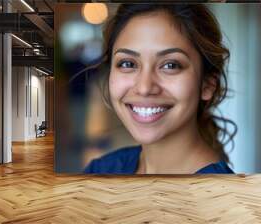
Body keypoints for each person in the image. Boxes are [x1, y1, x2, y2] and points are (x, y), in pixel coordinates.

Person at [84, 4, 236, 174]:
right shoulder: (100, 169)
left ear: (207, 84)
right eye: (128, 64)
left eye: (170, 65)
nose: (144, 87)